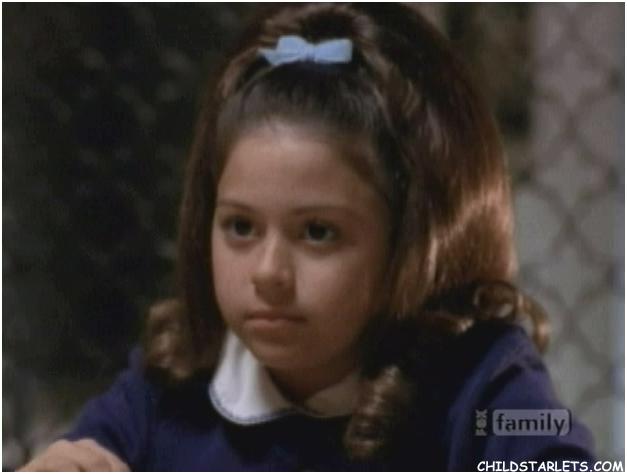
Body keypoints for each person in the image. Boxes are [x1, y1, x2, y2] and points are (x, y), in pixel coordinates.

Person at [20, 3, 595, 471]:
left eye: (318, 233)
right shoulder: (172, 379)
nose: (268, 272)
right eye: (240, 227)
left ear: (413, 241)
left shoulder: (482, 383)